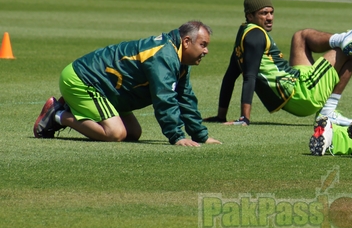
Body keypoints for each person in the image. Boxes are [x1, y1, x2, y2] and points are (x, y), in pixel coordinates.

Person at [34, 21, 220, 147]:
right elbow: (165, 98)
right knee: (115, 134)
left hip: (109, 89)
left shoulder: (178, 60)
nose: (206, 51)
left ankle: (70, 107)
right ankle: (57, 114)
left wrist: (201, 136)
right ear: (186, 42)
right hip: (83, 80)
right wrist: (177, 136)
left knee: (132, 133)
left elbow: (185, 98)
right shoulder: (163, 55)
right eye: (203, 44)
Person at [206, 0, 352, 127]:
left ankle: (342, 38)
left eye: (271, 12)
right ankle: (327, 112)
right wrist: (244, 118)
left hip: (295, 82)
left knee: (300, 37)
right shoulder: (256, 36)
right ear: (250, 16)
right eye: (263, 13)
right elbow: (249, 77)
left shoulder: (244, 34)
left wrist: (221, 116)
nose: (270, 17)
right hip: (301, 93)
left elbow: (230, 76)